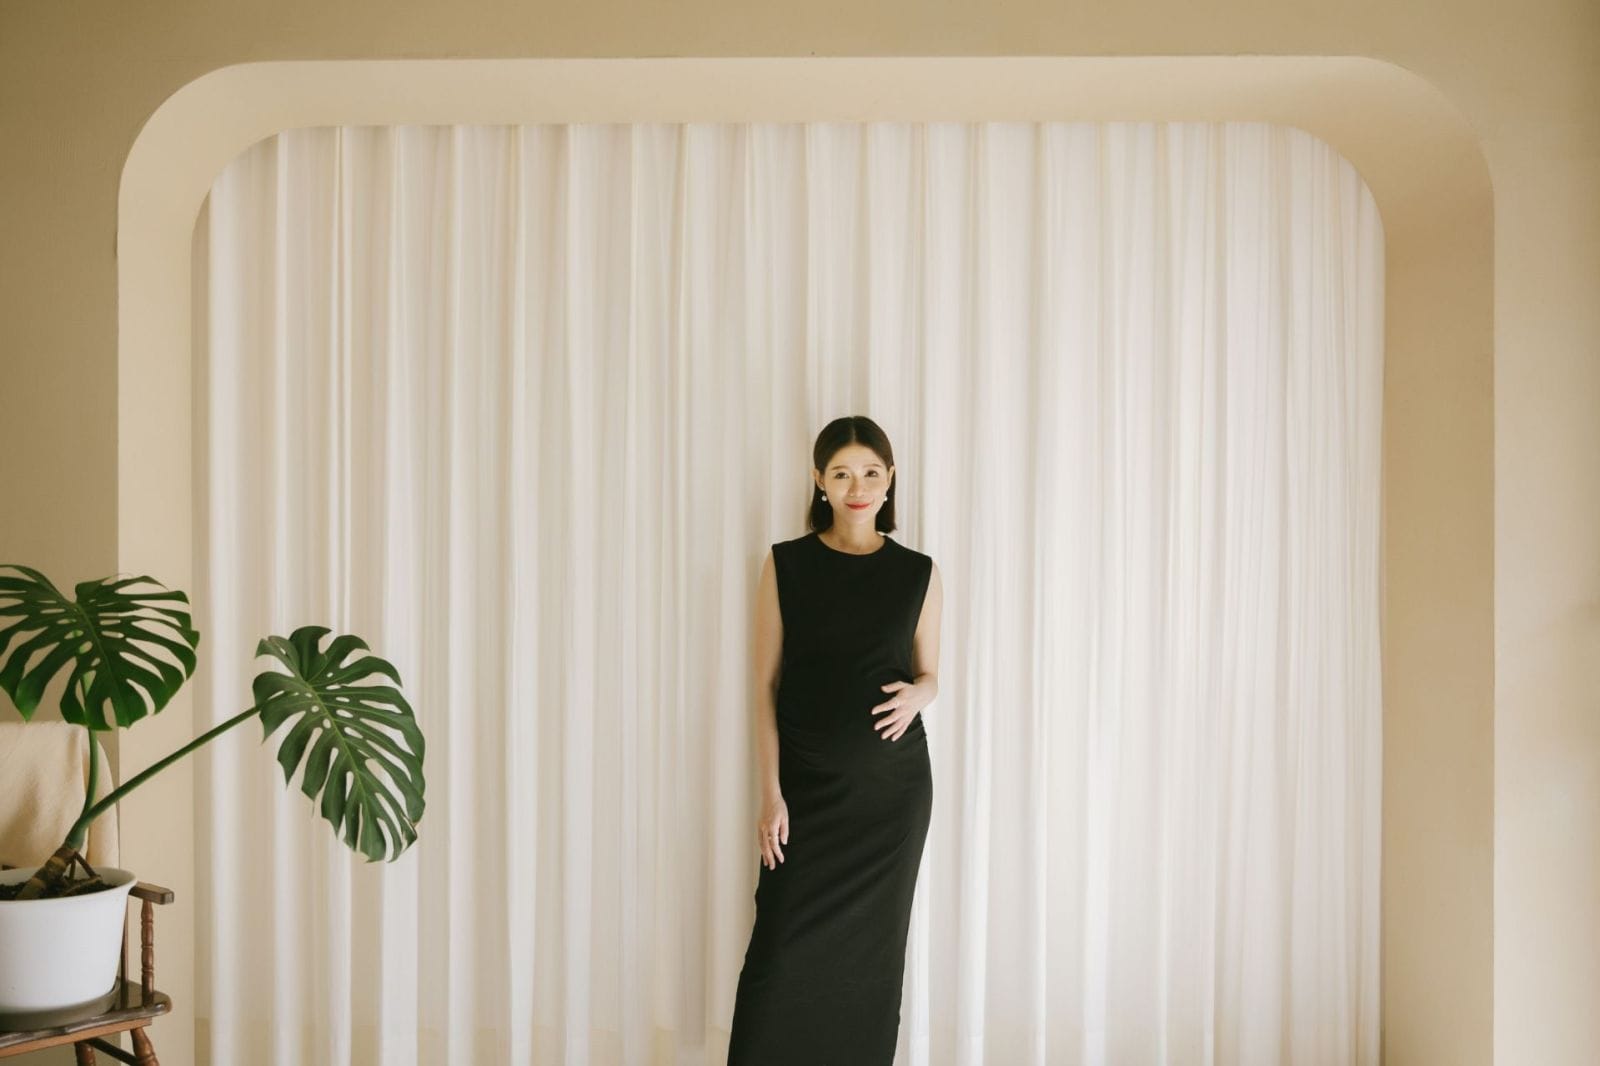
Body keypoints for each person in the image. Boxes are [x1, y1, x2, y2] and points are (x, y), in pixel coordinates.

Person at [726, 415, 943, 1065]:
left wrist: (922, 693)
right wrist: (771, 792)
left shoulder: (918, 573)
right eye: (843, 473)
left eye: (871, 473)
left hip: (891, 803)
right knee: (778, 959)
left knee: (871, 967)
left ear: (890, 479)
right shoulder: (786, 565)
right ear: (819, 480)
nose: (858, 487)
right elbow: (764, 684)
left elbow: (930, 673)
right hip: (805, 799)